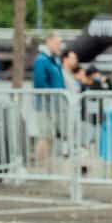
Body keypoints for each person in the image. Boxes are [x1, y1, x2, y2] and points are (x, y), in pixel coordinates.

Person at [31, 32, 65, 164]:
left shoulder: (53, 60)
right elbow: (40, 83)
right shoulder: (42, 60)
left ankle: (44, 164)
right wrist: (52, 99)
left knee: (49, 136)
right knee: (45, 135)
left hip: (53, 105)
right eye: (57, 43)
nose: (59, 46)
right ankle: (39, 164)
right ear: (49, 41)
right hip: (45, 105)